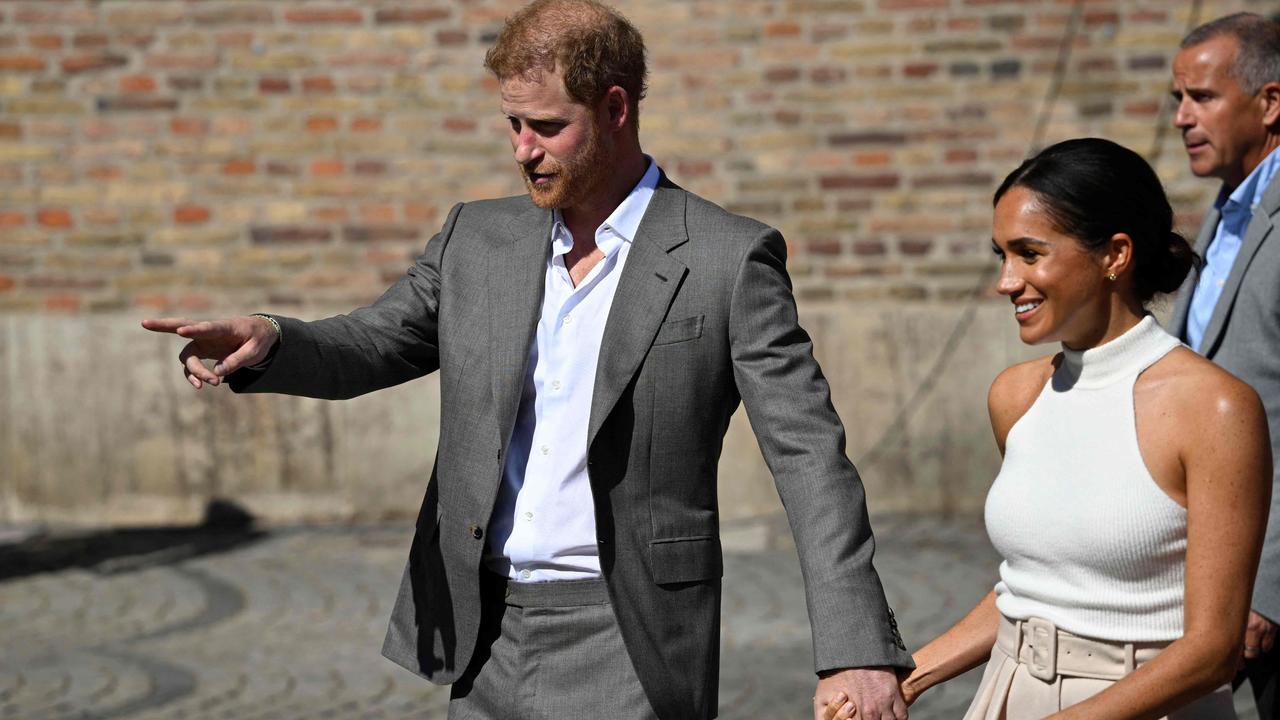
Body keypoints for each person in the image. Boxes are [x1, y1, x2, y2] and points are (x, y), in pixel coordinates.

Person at [142, 1, 912, 718]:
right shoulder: (476, 239)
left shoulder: (726, 257)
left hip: (631, 632)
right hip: (482, 630)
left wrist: (855, 649)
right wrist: (274, 337)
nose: (522, 150)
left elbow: (809, 454)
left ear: (616, 109)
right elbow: (373, 342)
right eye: (511, 124)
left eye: (545, 126)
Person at [824, 138, 1271, 720]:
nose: (1007, 281)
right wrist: (902, 683)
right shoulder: (1016, 395)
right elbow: (1029, 587)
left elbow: (1212, 650)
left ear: (1115, 254)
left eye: (1029, 254)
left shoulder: (1215, 408)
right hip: (1009, 694)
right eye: (1001, 255)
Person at [1169, 14, 1280, 716]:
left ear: (1269, 103)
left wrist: (1265, 588)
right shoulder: (1227, 209)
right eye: (1177, 99)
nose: (1182, 118)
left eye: (1202, 97)